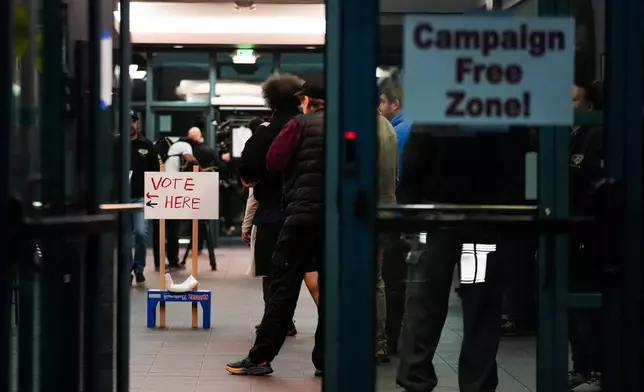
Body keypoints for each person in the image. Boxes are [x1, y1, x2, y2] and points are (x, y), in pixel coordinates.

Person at [396, 121, 529, 392]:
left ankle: (415, 379)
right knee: (480, 305)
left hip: (435, 224)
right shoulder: (501, 118)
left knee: (425, 303)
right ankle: (476, 383)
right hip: (483, 226)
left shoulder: (435, 116)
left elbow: (412, 166)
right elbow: (519, 166)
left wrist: (410, 215)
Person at [226, 76, 326, 376]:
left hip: (299, 216)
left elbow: (273, 161)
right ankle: (326, 359)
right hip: (333, 218)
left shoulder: (298, 125)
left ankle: (260, 358)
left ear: (306, 100)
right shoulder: (345, 126)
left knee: (283, 287)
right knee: (330, 289)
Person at [237, 74, 310, 337]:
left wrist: (253, 180)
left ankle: (276, 320)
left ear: (270, 101)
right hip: (304, 208)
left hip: (270, 211)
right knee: (307, 268)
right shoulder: (308, 127)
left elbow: (246, 166)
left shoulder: (265, 131)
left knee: (271, 269)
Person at [567, 80, 604, 392]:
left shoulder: (595, 138)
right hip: (566, 233)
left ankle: (596, 369)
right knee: (569, 308)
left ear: (589, 106)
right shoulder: (565, 137)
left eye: (574, 100)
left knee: (586, 308)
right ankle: (581, 366)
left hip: (587, 235)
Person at [153, 135, 198, 269]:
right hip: (174, 191)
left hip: (158, 189)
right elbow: (191, 160)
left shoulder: (156, 143)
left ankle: (158, 263)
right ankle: (173, 261)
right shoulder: (184, 146)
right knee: (173, 228)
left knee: (158, 230)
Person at [375, 113, 399, 363]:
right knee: (377, 279)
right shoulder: (388, 127)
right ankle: (379, 342)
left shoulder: (363, 127)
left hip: (367, 210)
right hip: (386, 206)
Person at [129, 110, 159, 284]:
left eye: (134, 121)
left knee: (140, 233)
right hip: (122, 198)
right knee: (125, 237)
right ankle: (127, 271)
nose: (131, 124)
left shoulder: (147, 145)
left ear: (137, 123)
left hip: (141, 197)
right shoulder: (118, 143)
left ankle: (139, 268)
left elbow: (155, 170)